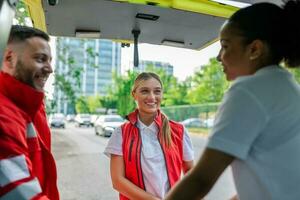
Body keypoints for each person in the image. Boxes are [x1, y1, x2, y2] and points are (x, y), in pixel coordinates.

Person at [165, 1, 300, 200]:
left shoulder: (249, 91)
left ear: (254, 49)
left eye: (225, 46)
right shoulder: (286, 88)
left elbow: (200, 179)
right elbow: (271, 180)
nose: (219, 57)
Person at [104, 72, 194, 200]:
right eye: (145, 91)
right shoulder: (121, 133)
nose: (152, 97)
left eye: (157, 91)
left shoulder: (179, 131)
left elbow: (191, 173)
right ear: (134, 94)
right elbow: (118, 181)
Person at [0, 25, 59, 199]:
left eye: (50, 60)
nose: (49, 68)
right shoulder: (4, 114)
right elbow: (19, 193)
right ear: (9, 58)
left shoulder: (31, 106)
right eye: (41, 59)